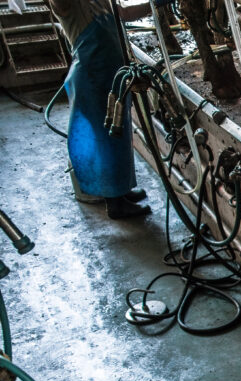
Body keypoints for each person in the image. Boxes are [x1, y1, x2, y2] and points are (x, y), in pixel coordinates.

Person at [49, 0, 155, 219]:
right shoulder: (70, 6)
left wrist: (156, 4)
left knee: (119, 134)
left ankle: (121, 190)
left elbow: (124, 13)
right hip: (92, 77)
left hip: (113, 75)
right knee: (103, 138)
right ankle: (114, 203)